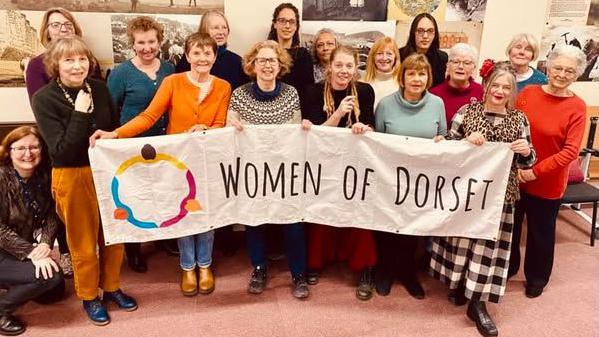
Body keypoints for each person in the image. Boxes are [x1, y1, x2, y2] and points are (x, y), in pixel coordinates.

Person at [90, 33, 231, 298]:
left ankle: (205, 265)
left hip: (208, 158)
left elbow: (220, 124)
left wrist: (207, 129)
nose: (202, 58)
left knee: (207, 214)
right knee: (183, 210)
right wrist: (115, 134)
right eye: (196, 53)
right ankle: (188, 266)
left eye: (207, 53)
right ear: (187, 56)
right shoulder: (172, 82)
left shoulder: (223, 86)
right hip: (178, 161)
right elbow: (149, 116)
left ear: (215, 56)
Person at [32, 36, 137, 326]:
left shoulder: (101, 89)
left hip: (107, 170)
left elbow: (112, 129)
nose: (77, 66)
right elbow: (61, 150)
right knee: (83, 242)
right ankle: (89, 296)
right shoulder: (44, 98)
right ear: (56, 64)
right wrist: (80, 112)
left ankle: (112, 287)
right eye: (69, 60)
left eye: (81, 59)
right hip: (72, 174)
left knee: (115, 234)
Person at [430, 65, 536, 337]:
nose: (500, 92)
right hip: (467, 194)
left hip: (501, 196)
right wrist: (465, 141)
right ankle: (459, 286)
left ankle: (478, 304)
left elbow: (529, 159)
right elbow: (447, 147)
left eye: (506, 87)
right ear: (486, 86)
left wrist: (525, 151)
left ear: (513, 92)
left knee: (488, 249)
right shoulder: (468, 112)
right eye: (496, 86)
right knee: (462, 244)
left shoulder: (519, 118)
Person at [227, 40, 308, 299]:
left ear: (280, 64)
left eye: (272, 60)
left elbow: (294, 135)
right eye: (261, 60)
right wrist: (232, 124)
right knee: (254, 219)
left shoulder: (291, 94)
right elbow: (231, 129)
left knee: (292, 221)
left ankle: (298, 273)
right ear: (252, 65)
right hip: (253, 170)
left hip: (284, 170)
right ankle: (259, 267)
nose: (267, 65)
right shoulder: (239, 95)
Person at [509, 45, 587, 298]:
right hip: (515, 177)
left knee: (541, 233)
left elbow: (570, 151)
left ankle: (537, 277)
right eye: (558, 68)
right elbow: (512, 126)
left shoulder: (577, 106)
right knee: (510, 227)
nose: (562, 74)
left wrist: (535, 171)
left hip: (547, 182)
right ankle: (507, 268)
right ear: (548, 67)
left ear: (576, 75)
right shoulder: (528, 93)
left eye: (569, 71)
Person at [302, 45, 377, 301]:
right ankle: (315, 262)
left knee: (358, 213)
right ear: (329, 67)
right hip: (323, 163)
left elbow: (370, 126)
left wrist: (363, 127)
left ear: (355, 69)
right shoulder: (313, 91)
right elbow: (314, 134)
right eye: (339, 65)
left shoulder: (365, 91)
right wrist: (338, 113)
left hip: (355, 162)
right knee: (321, 212)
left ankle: (365, 267)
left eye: (349, 66)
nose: (344, 71)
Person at [374, 53, 446, 299]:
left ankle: (407, 272)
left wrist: (441, 141)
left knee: (412, 228)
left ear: (429, 77)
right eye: (411, 73)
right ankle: (384, 270)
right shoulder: (385, 105)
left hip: (422, 180)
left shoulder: (437, 104)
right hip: (390, 178)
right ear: (402, 77)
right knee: (386, 226)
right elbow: (377, 142)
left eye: (422, 73)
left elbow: (444, 136)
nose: (417, 79)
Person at [107, 16, 175, 273]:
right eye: (141, 42)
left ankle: (164, 238)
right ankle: (133, 249)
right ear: (132, 44)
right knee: (134, 197)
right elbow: (112, 110)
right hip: (131, 144)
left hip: (165, 143)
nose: (147, 47)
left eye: (152, 41)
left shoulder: (169, 68)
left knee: (163, 192)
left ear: (160, 42)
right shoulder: (121, 73)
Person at [0, 126, 65, 336]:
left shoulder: (43, 177)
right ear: (9, 151)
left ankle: (12, 279)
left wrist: (45, 244)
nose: (28, 153)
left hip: (15, 250)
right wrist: (30, 252)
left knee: (54, 292)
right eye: (20, 148)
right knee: (49, 278)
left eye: (34, 147)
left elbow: (51, 215)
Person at [26, 7, 102, 101]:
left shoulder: (90, 60)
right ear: (47, 32)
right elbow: (40, 106)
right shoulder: (36, 65)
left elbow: (101, 98)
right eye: (55, 25)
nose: (64, 29)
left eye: (68, 24)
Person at [175, 10, 247, 90]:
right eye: (215, 28)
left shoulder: (237, 61)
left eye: (224, 27)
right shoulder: (189, 59)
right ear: (204, 30)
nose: (221, 32)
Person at [267, 3, 315, 102]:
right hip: (268, 110)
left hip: (296, 111)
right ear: (275, 24)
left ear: (296, 26)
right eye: (282, 21)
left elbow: (308, 90)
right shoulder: (265, 54)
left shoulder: (303, 55)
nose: (287, 26)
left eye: (292, 22)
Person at [430, 43, 484, 128]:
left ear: (474, 67)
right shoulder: (434, 94)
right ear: (447, 65)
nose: (460, 67)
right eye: (455, 62)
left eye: (466, 63)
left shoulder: (481, 91)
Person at [399, 13, 448, 87]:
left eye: (430, 31)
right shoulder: (400, 55)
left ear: (435, 34)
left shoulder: (442, 58)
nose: (425, 36)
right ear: (413, 33)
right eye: (420, 31)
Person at [362, 36, 401, 110]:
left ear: (395, 57)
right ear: (373, 57)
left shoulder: (402, 83)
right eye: (380, 53)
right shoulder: (362, 83)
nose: (384, 58)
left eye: (389, 54)